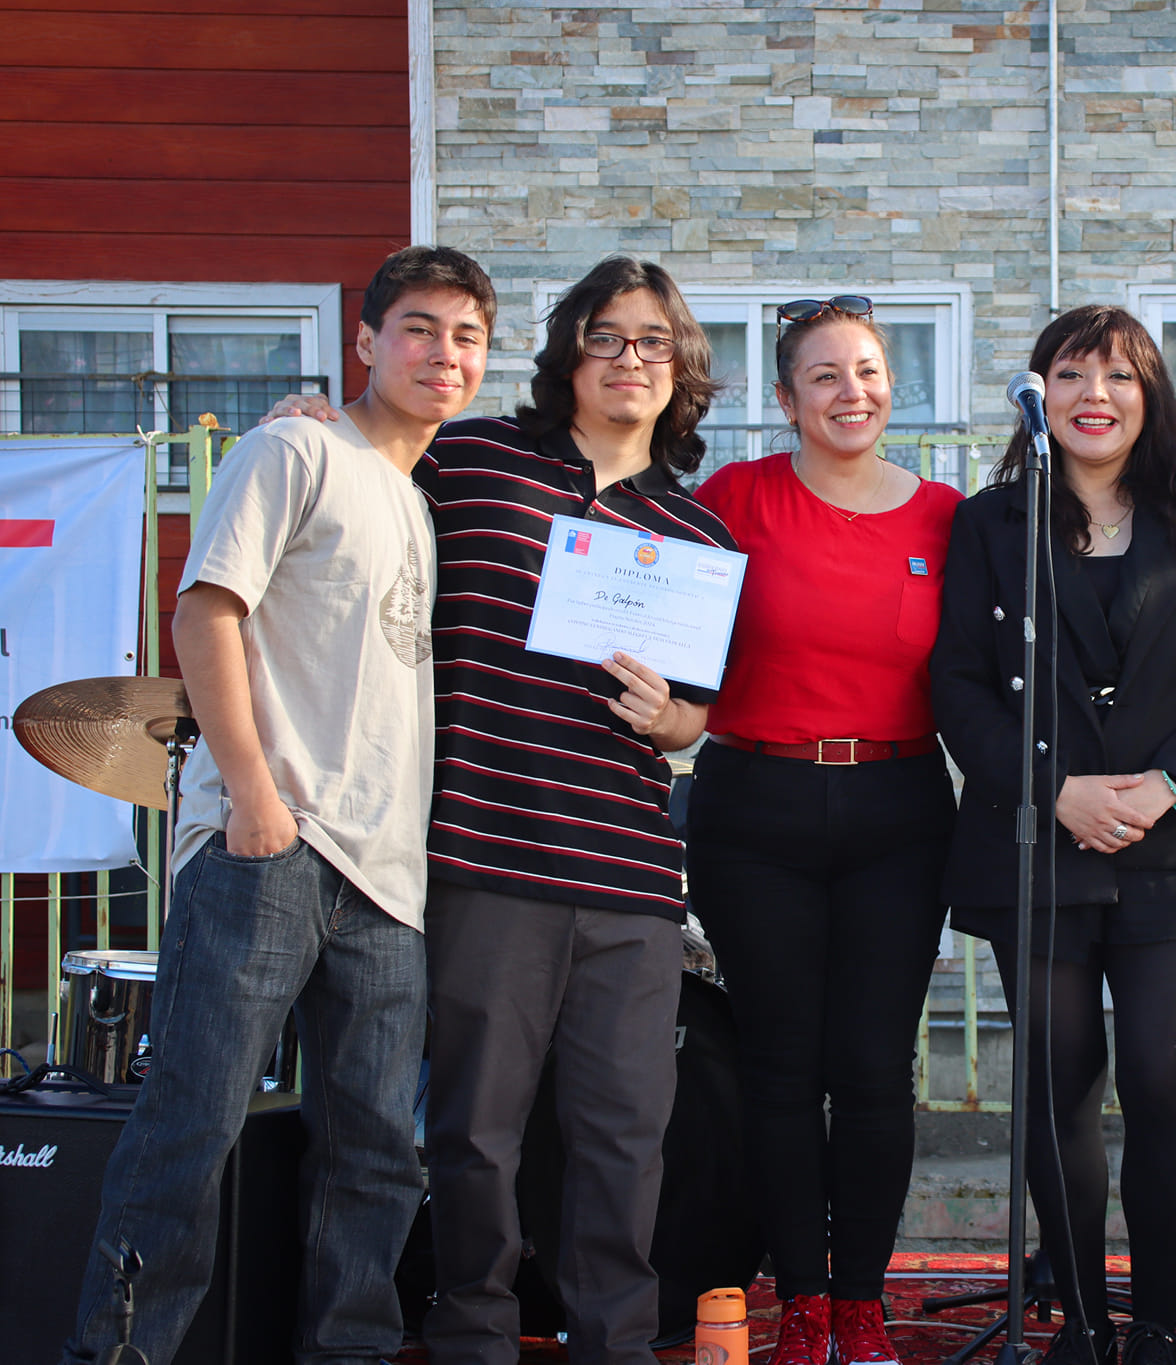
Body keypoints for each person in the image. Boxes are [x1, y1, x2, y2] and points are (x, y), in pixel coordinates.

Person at [267, 255, 738, 1365]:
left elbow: (691, 725)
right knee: (475, 1135)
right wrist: (308, 422)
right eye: (608, 338)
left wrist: (672, 718)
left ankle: (613, 1342)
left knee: (625, 1137)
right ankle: (472, 1333)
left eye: (653, 343)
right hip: (483, 854)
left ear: (681, 371)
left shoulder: (702, 539)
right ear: (570, 352)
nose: (630, 360)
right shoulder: (470, 461)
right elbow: (360, 471)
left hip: (627, 873)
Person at [62, 245, 495, 1365]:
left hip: (387, 882)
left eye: (465, 337)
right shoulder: (293, 447)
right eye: (417, 328)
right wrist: (252, 800)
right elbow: (205, 615)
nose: (441, 354)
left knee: (374, 1161)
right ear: (364, 341)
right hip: (271, 852)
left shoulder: (424, 496)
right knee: (187, 1135)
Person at [932, 304, 1176, 1365]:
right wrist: (1058, 791)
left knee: (1165, 1085)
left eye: (1119, 376)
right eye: (1072, 374)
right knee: (1057, 1083)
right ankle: (1079, 1320)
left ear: (1149, 396)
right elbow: (959, 685)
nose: (1095, 395)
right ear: (1037, 392)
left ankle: (1160, 1320)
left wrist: (1166, 786)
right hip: (1035, 842)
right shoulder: (991, 523)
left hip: (1175, 843)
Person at [684, 295, 964, 1365]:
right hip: (756, 808)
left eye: (869, 371)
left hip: (898, 811)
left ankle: (861, 1299)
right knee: (779, 1065)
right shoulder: (735, 498)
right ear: (786, 398)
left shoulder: (944, 517)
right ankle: (799, 1300)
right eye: (826, 376)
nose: (853, 393)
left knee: (874, 1067)